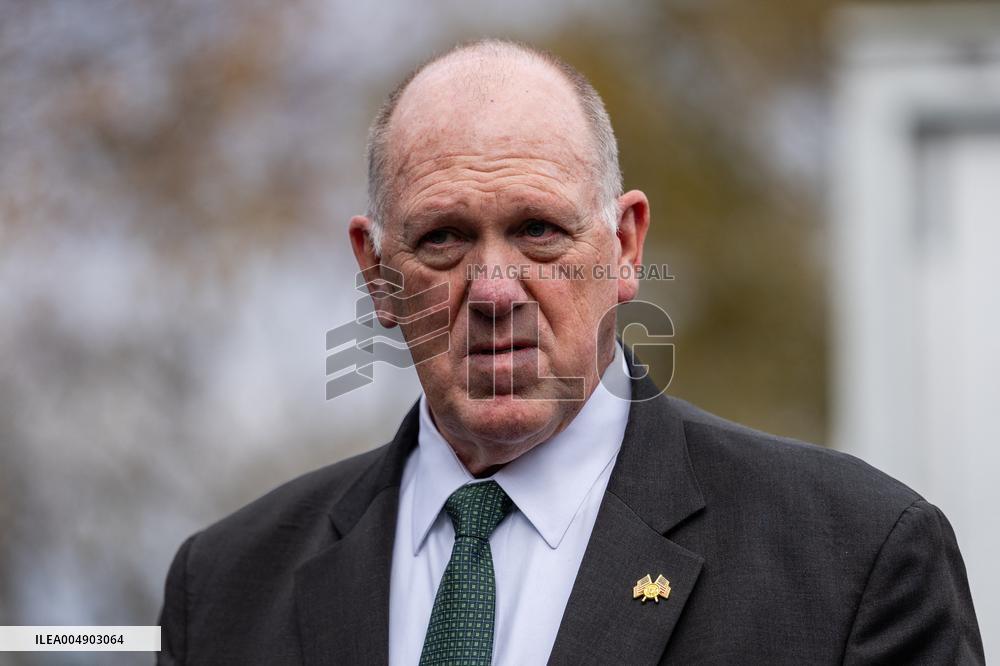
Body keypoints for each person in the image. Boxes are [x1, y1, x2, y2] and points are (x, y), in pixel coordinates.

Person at [157, 39, 984, 665]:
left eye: (538, 232)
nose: (492, 289)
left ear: (624, 247)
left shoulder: (854, 561)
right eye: (443, 238)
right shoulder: (226, 591)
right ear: (377, 276)